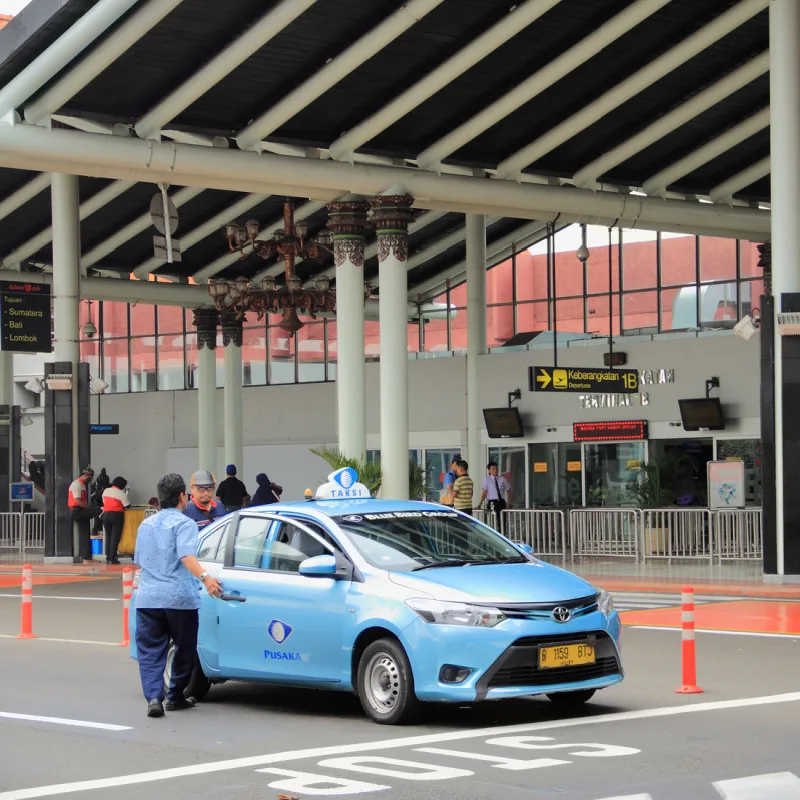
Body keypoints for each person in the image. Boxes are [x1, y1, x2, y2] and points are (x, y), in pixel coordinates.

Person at [133, 473, 223, 718]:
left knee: (151, 651)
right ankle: (175, 695)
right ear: (183, 496)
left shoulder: (145, 525)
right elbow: (186, 556)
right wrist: (206, 577)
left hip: (148, 598)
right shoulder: (184, 523)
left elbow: (138, 561)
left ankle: (153, 697)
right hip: (179, 599)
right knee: (184, 648)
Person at [68, 467, 101, 564]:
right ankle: (96, 529)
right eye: (90, 477)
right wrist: (89, 508)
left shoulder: (82, 485)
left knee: (85, 535)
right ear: (85, 475)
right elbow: (78, 500)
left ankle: (87, 557)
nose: (90, 479)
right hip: (78, 511)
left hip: (80, 510)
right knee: (99, 511)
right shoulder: (77, 484)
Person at [102, 476, 130, 565]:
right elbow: (127, 505)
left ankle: (107, 557)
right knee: (115, 537)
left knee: (108, 536)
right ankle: (113, 558)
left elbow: (104, 502)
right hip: (116, 515)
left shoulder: (106, 490)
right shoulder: (121, 493)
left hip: (106, 515)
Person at [480, 461, 512, 531]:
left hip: (501, 502)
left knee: (502, 522)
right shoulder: (487, 479)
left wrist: (509, 503)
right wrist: (480, 503)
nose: (495, 470)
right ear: (489, 470)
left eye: (496, 468)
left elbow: (508, 490)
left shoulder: (502, 479)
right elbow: (485, 492)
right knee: (492, 522)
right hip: (492, 502)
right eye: (493, 469)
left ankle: (502, 535)